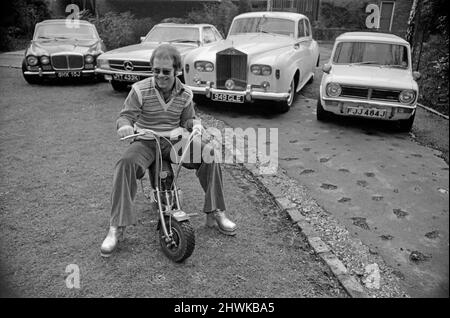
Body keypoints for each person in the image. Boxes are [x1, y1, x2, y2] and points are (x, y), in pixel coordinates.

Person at [101, 44, 236, 257]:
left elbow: (187, 119)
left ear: (177, 71)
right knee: (125, 164)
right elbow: (125, 116)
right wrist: (125, 125)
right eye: (156, 71)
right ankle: (116, 227)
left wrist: (195, 125)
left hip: (174, 141)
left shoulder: (186, 93)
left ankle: (217, 211)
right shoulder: (140, 90)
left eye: (166, 71)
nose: (160, 76)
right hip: (146, 140)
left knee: (209, 154)